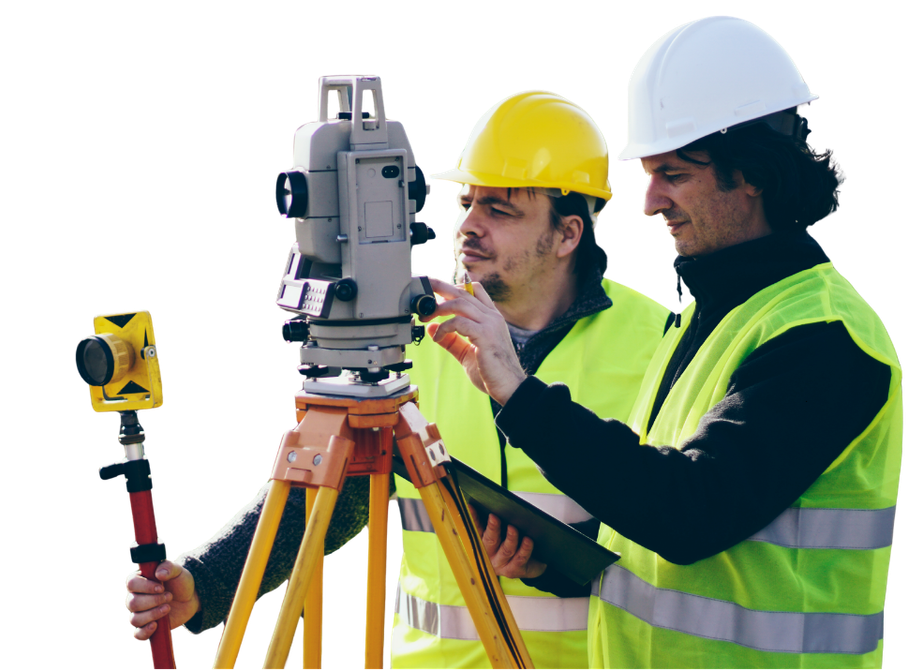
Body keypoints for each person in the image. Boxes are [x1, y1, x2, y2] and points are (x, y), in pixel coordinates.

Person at [124, 89, 671, 669]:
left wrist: (557, 560)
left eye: (501, 210)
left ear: (568, 234)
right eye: (466, 203)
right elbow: (336, 495)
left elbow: (678, 523)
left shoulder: (657, 342)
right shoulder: (412, 334)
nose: (468, 227)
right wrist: (206, 581)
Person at [424, 16, 903, 670]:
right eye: (647, 173)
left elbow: (691, 512)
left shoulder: (825, 338)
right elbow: (660, 532)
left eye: (672, 173)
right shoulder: (706, 318)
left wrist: (517, 391)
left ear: (751, 173)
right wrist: (557, 559)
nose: (648, 202)